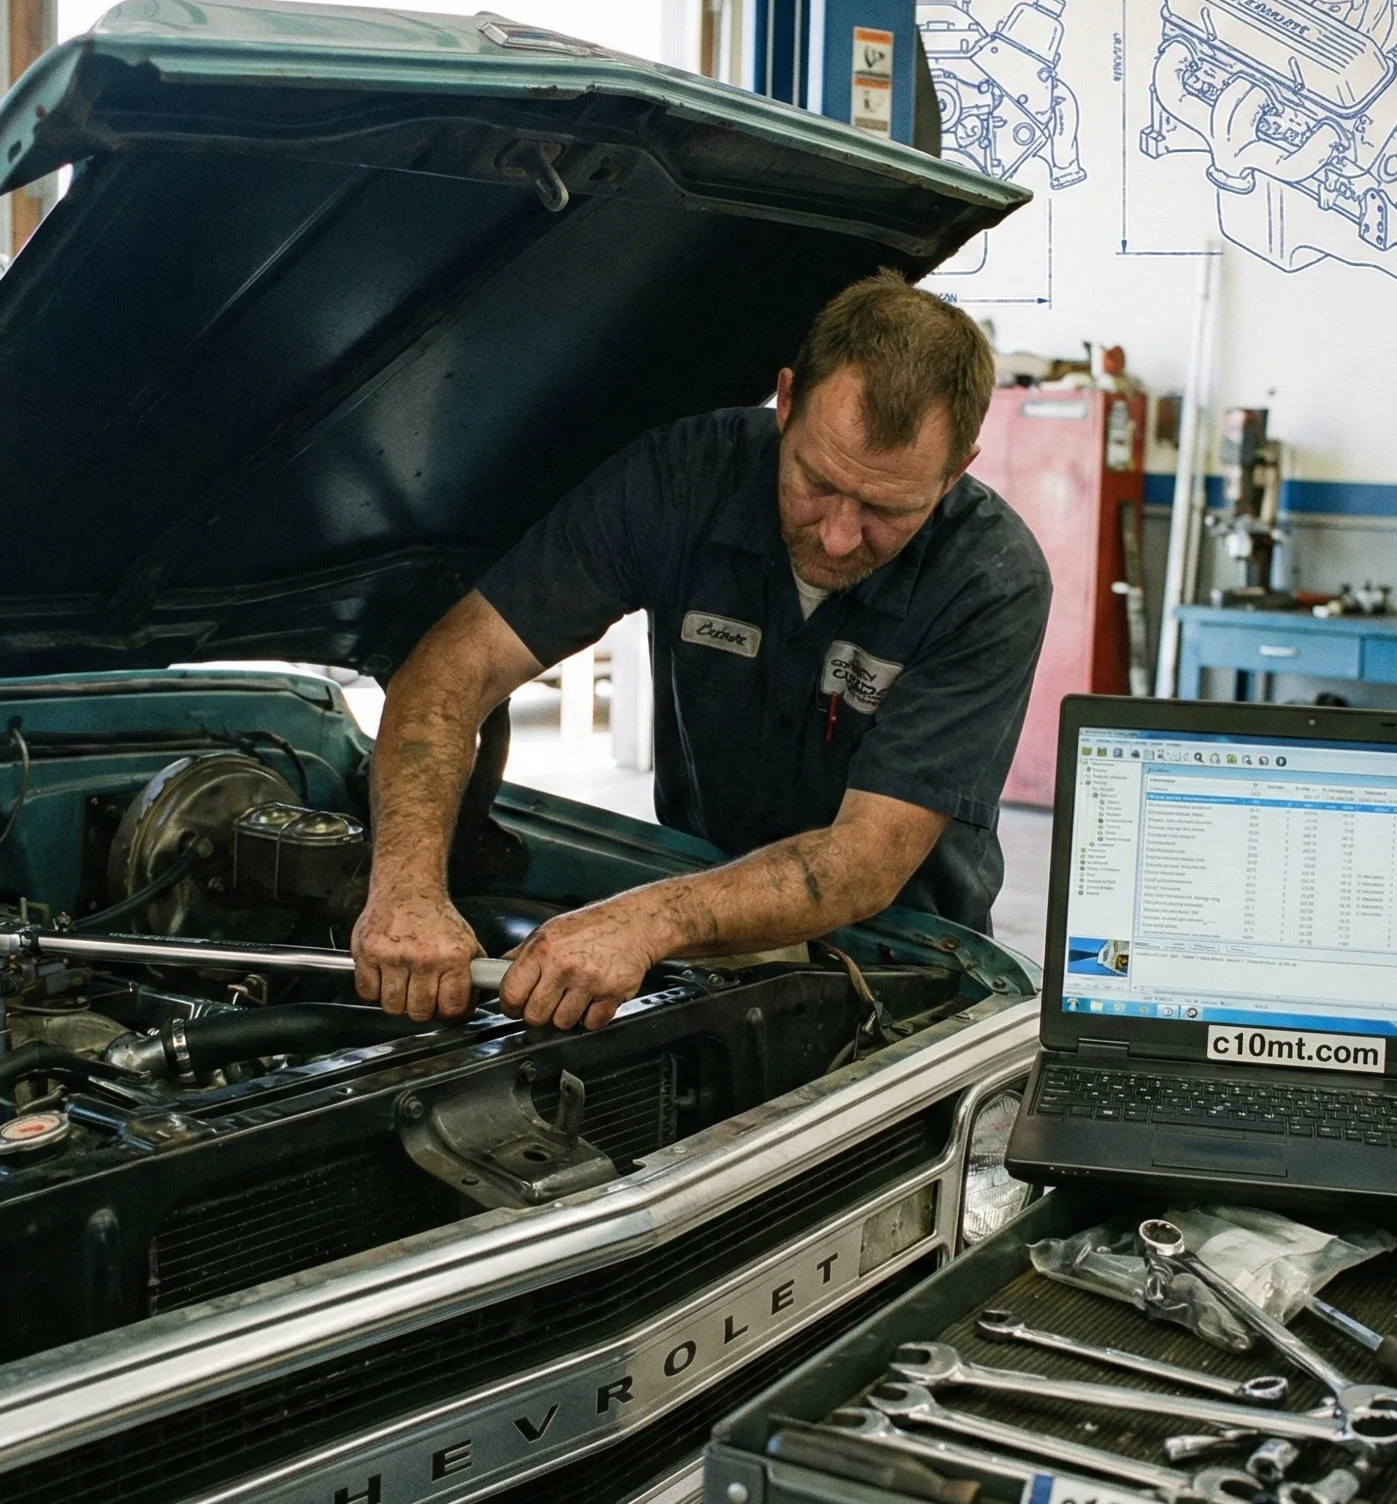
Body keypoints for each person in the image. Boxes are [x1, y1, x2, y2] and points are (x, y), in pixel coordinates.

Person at [351, 269, 1051, 1030]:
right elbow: (456, 665)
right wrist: (406, 889)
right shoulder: (682, 480)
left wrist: (644, 922)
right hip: (691, 917)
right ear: (786, 401)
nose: (840, 534)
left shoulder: (991, 580)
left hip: (899, 957)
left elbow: (866, 857)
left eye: (888, 508)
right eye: (817, 482)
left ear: (958, 469)